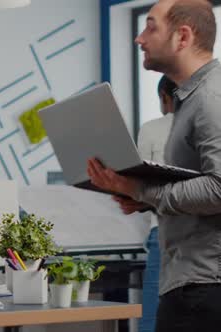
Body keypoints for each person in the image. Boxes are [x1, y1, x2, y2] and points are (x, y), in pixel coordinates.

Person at [87, 0, 221, 331]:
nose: (139, 38)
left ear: (183, 36)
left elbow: (219, 187)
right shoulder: (191, 98)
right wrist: (143, 198)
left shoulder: (210, 98)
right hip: (191, 282)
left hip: (205, 287)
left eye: (150, 26)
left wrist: (141, 188)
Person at [136, 75, 176, 332]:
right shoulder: (209, 126)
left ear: (164, 96)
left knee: (153, 311)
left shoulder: (151, 129)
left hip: (163, 228)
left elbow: (139, 185)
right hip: (207, 233)